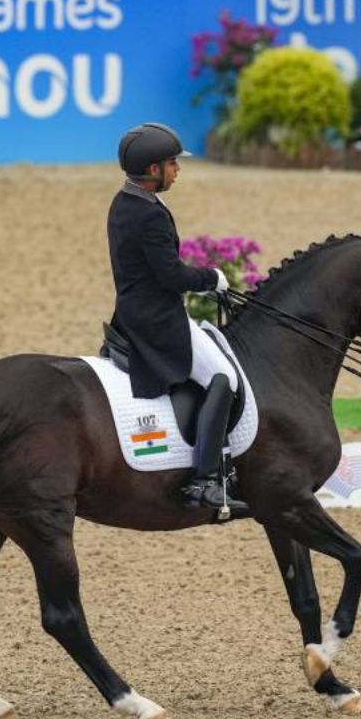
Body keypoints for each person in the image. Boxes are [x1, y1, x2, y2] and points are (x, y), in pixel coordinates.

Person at [107, 122, 244, 512]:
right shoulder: (148, 214)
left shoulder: (125, 200)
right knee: (225, 377)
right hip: (156, 318)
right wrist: (212, 278)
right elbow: (170, 275)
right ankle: (206, 480)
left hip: (133, 310)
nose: (177, 170)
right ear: (153, 170)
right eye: (172, 164)